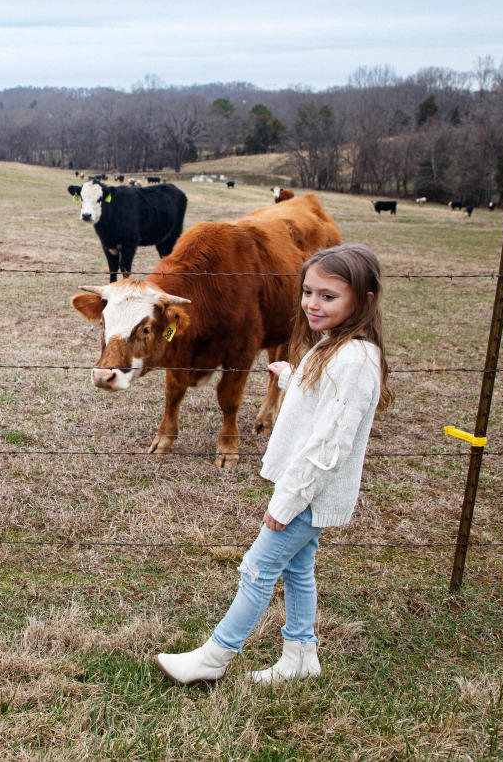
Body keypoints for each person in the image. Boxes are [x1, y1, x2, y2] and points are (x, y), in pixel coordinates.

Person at [154, 242, 392, 685]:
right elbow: (324, 398)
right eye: (308, 292)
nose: (311, 304)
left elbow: (328, 445)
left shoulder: (356, 361)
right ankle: (301, 655)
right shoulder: (337, 346)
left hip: (306, 490)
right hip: (303, 487)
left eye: (328, 296)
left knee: (257, 569)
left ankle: (215, 656)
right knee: (298, 568)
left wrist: (287, 501)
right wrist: (291, 378)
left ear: (364, 300)